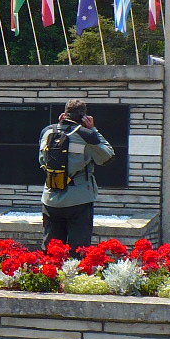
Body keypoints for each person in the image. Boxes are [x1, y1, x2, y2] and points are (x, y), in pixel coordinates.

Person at [38, 99, 114, 250]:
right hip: (79, 200)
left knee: (52, 251)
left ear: (65, 113)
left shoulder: (48, 132)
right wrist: (93, 130)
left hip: (51, 199)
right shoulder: (86, 135)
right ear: (84, 117)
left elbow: (42, 160)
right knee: (78, 250)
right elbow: (107, 157)